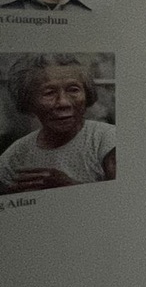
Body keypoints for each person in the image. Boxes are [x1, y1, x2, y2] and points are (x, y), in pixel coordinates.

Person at [0, 54, 115, 193]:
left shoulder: (107, 140)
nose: (63, 103)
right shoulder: (16, 154)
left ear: (87, 94)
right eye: (49, 93)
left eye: (73, 90)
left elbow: (124, 198)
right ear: (28, 102)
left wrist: (68, 187)